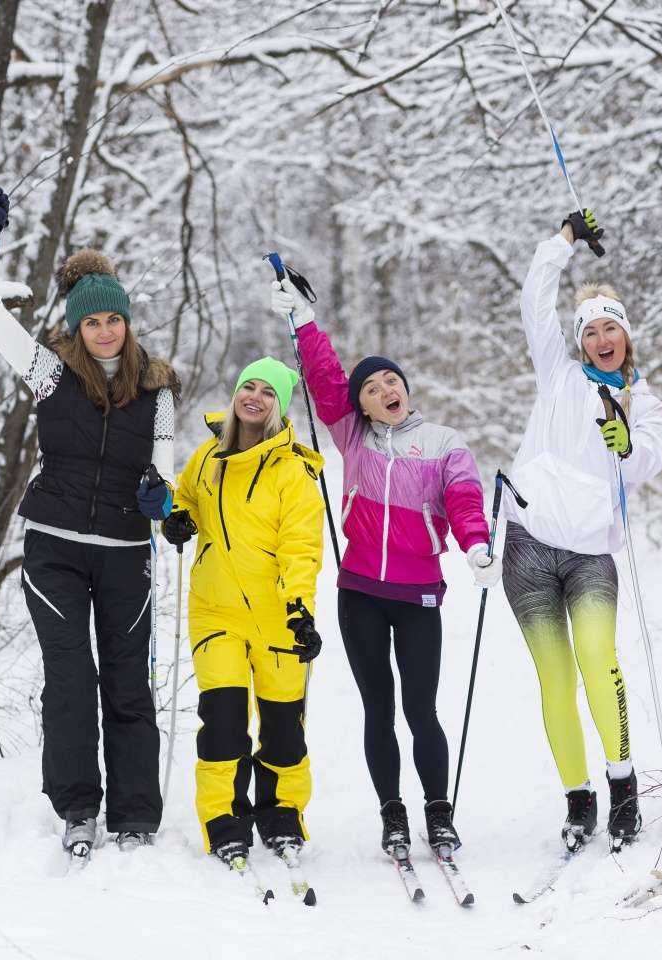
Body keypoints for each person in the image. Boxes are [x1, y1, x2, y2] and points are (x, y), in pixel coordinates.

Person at [0, 188, 179, 858]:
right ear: (76, 327)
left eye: (114, 319)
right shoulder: (49, 372)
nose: (105, 331)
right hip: (54, 549)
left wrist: (159, 499)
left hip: (124, 553)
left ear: (127, 321)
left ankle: (136, 814)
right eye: (93, 322)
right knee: (71, 680)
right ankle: (78, 808)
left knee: (127, 681)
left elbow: (165, 478)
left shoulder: (157, 390)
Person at [270, 278, 494, 856]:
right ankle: (392, 813)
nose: (384, 389)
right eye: (371, 387)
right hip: (361, 593)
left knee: (421, 708)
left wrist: (476, 544)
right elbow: (324, 379)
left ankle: (438, 812)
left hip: (419, 595)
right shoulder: (353, 437)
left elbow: (464, 498)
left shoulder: (443, 441)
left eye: (391, 380)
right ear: (362, 404)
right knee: (379, 708)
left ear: (405, 389)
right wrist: (303, 322)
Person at [503, 209, 662, 849]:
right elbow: (534, 300)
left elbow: (652, 454)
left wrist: (630, 445)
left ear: (626, 337)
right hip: (529, 544)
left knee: (599, 661)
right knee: (555, 678)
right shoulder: (560, 375)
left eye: (611, 329)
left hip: (590, 554)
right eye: (592, 330)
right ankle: (578, 799)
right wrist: (564, 241)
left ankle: (623, 785)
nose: (602, 338)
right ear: (580, 341)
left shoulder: (641, 400)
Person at [161, 357, 325, 865]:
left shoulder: (293, 471)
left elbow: (301, 546)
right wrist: (177, 517)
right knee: (223, 721)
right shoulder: (208, 457)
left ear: (280, 406)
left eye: (268, 392)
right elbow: (185, 498)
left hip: (278, 617)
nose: (255, 397)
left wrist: (300, 611)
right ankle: (223, 818)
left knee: (283, 726)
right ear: (235, 395)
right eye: (248, 387)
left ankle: (282, 814)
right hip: (215, 612)